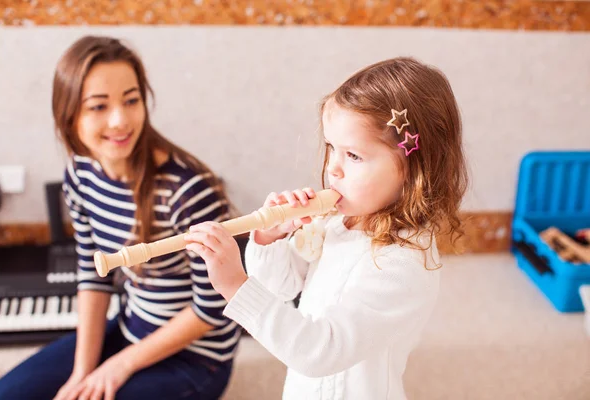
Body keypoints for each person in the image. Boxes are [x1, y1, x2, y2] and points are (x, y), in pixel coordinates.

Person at [184, 57, 468, 399]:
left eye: (354, 156)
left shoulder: (403, 263)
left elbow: (320, 352)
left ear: (413, 169)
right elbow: (281, 290)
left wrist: (234, 285)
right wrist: (271, 237)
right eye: (332, 148)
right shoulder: (339, 221)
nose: (333, 168)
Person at [0, 35, 239, 400]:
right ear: (69, 113)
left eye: (131, 100)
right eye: (99, 106)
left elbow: (213, 310)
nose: (120, 120)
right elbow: (95, 277)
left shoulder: (188, 189)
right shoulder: (80, 173)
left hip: (197, 359)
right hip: (129, 328)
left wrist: (117, 366)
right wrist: (82, 373)